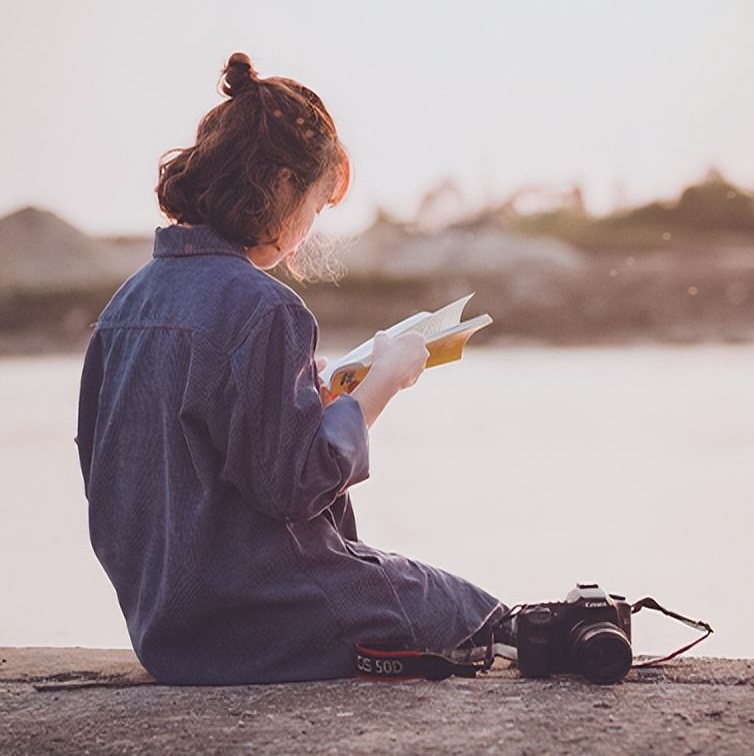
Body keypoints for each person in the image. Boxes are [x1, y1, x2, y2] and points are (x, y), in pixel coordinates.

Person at [76, 53, 503, 685]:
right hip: (253, 621)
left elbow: (110, 467)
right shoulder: (266, 307)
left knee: (413, 589)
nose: (308, 230)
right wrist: (384, 380)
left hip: (165, 628)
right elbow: (296, 484)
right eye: (314, 204)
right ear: (278, 186)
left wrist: (308, 400)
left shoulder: (124, 307)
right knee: (469, 614)